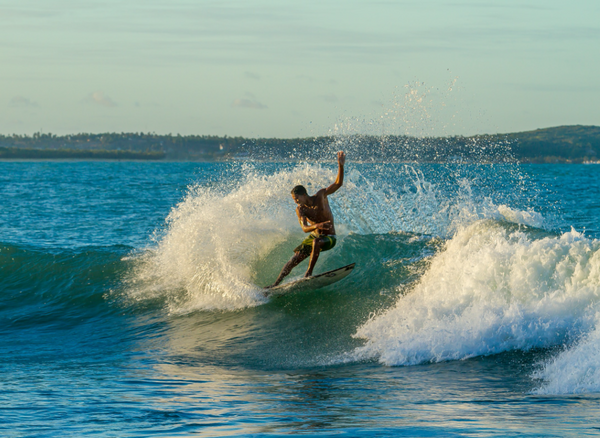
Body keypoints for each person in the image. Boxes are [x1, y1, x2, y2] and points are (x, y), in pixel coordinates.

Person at [268, 151, 346, 288]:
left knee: (317, 241)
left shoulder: (321, 196)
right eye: (294, 200)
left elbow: (338, 183)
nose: (296, 202)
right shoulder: (301, 210)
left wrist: (341, 165)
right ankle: (274, 285)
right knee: (293, 260)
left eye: (297, 199)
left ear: (304, 194)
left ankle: (308, 273)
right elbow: (304, 228)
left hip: (329, 238)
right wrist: (316, 226)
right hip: (314, 235)